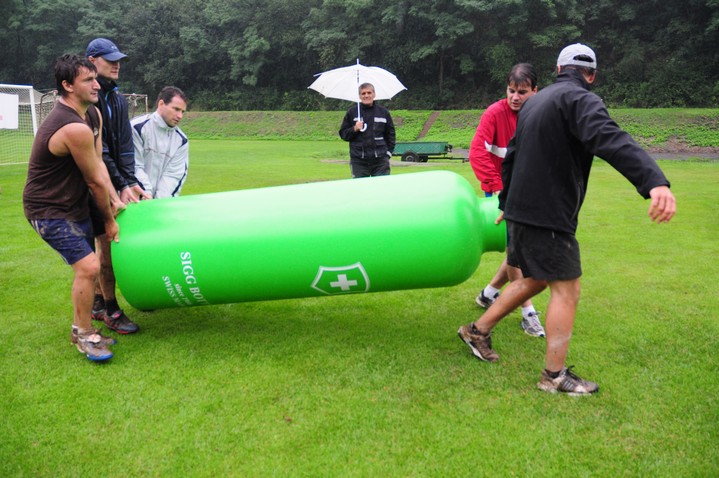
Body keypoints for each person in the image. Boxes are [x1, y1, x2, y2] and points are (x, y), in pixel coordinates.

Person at [457, 43, 676, 395]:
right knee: (567, 288)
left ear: (559, 70)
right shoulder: (581, 99)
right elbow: (611, 138)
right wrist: (654, 181)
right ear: (591, 75)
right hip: (548, 213)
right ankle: (554, 376)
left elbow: (511, 157)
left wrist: (506, 202)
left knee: (535, 279)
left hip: (521, 210)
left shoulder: (533, 104)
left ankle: (476, 331)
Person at [23, 54, 125, 361]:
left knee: (88, 267)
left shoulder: (92, 115)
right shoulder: (71, 127)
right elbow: (93, 181)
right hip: (48, 209)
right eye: (88, 80)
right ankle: (83, 335)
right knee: (89, 266)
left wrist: (115, 197)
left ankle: (83, 327)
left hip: (74, 203)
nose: (97, 85)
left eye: (95, 78)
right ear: (67, 85)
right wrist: (109, 220)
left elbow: (99, 165)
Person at [468, 63, 544, 337]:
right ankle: (528, 312)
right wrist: (501, 191)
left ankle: (489, 293)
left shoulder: (541, 113)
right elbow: (477, 152)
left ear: (535, 91)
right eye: (511, 91)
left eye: (522, 92)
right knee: (516, 250)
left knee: (515, 247)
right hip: (502, 193)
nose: (515, 97)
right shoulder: (494, 113)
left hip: (528, 192)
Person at [86, 37, 150, 334]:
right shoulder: (89, 100)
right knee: (104, 245)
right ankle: (110, 308)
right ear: (92, 61)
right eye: (110, 60)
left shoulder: (118, 99)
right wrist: (120, 184)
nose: (116, 65)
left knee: (104, 244)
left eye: (118, 61)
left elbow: (124, 147)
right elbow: (99, 152)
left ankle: (99, 303)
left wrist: (130, 181)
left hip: (109, 177)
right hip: (87, 181)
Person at [131, 86, 189, 198]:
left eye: (182, 112)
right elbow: (133, 166)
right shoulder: (137, 128)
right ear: (161, 104)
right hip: (132, 200)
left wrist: (159, 203)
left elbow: (173, 176)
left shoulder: (182, 141)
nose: (180, 116)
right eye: (176, 109)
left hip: (158, 204)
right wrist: (146, 194)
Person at [339, 83, 396, 178]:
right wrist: (354, 129)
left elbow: (391, 135)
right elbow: (343, 134)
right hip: (358, 161)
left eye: (369, 93)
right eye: (363, 93)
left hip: (380, 161)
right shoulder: (352, 112)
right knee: (361, 187)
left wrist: (388, 154)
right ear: (359, 96)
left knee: (382, 186)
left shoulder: (383, 112)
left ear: (374, 94)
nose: (366, 95)